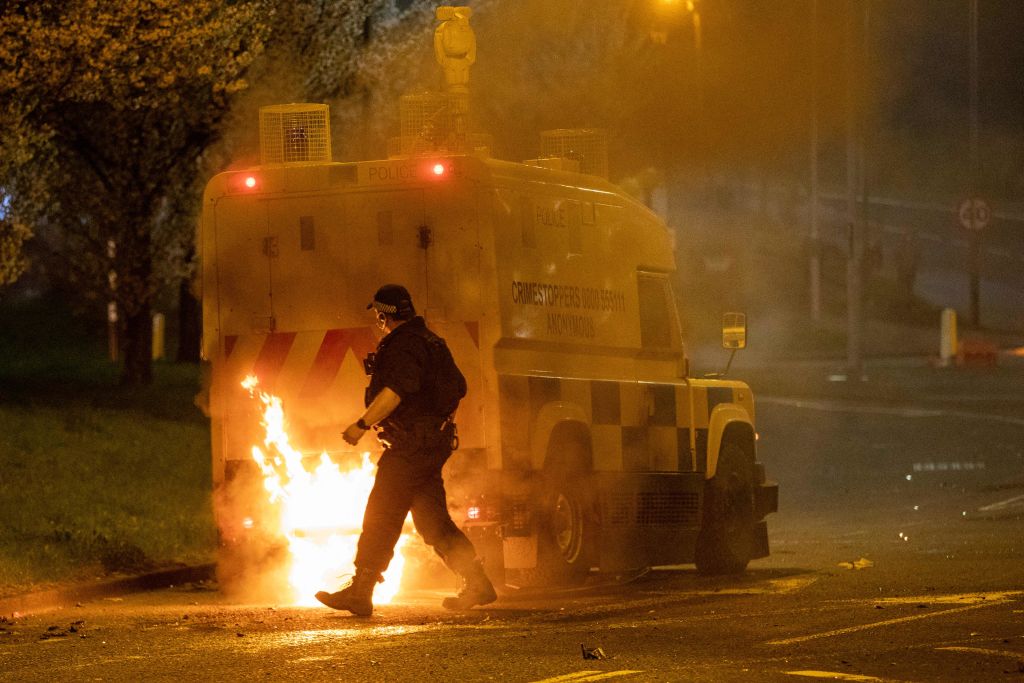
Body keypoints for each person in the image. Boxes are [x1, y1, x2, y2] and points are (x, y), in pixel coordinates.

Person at [315, 284, 496, 616]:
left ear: (384, 315)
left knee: (382, 513)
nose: (379, 323)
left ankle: (361, 590)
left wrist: (362, 424)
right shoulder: (432, 341)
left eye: (379, 317)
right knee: (432, 521)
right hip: (431, 443)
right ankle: (478, 582)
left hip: (411, 446)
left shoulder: (404, 346)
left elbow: (396, 391)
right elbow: (459, 387)